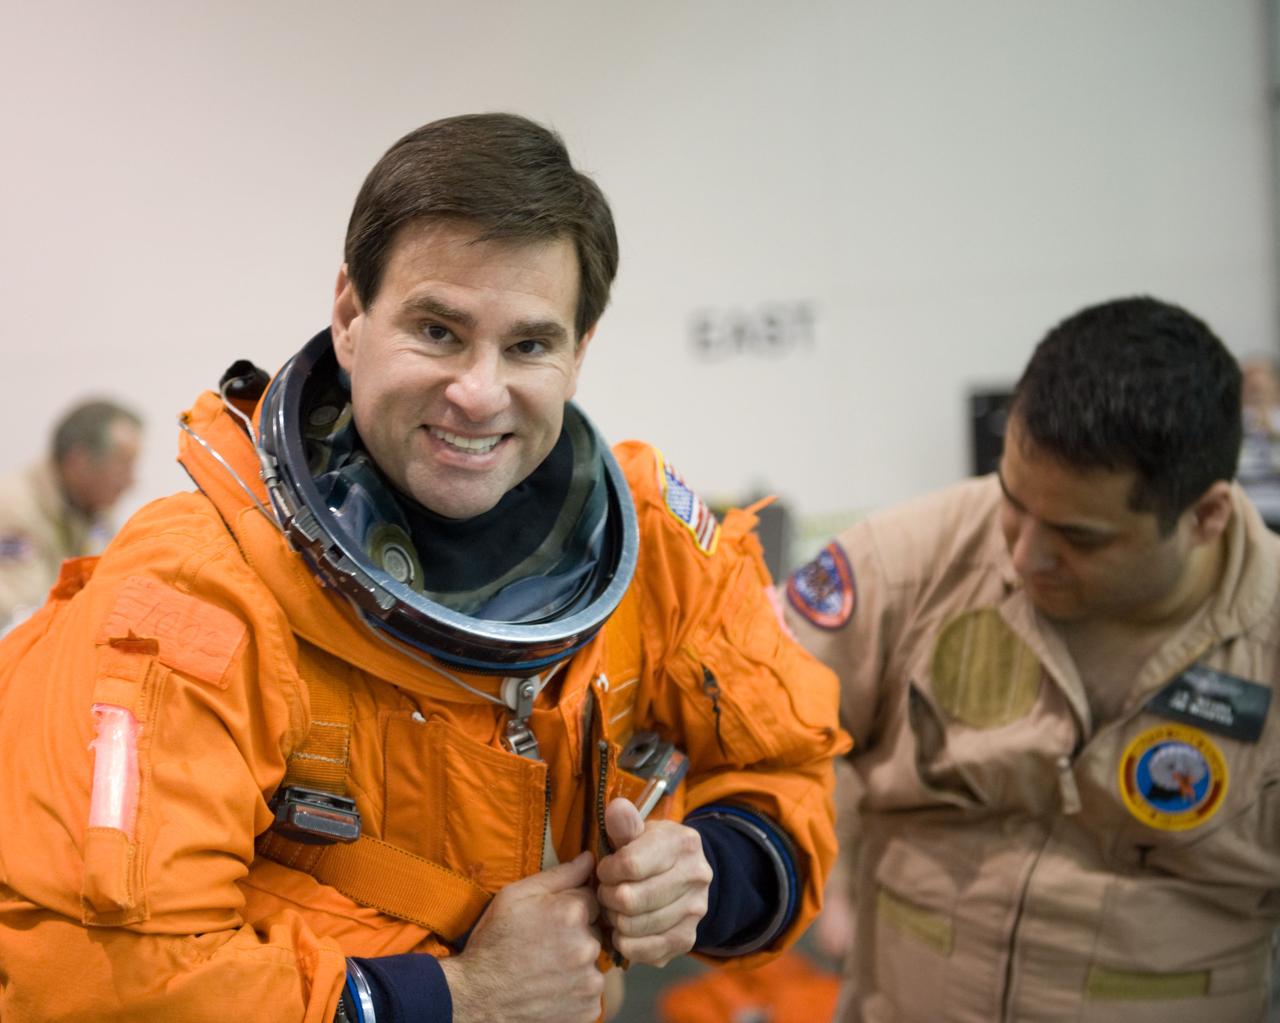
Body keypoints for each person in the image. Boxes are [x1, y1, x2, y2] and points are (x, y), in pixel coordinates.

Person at [0, 113, 846, 1023]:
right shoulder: (195, 594)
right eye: (438, 330)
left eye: (529, 344)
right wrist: (449, 997)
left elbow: (785, 764)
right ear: (351, 315)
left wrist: (707, 875)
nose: (479, 393)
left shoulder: (652, 546)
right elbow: (87, 979)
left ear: (579, 350)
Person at [785, 296, 1279, 1022]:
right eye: (1013, 501)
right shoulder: (912, 561)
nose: (1021, 555)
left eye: (1080, 536)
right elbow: (757, 718)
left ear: (1204, 516)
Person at [0, 398, 142, 630]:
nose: (130, 482)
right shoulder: (11, 508)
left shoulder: (96, 513)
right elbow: (19, 619)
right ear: (80, 461)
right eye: (122, 466)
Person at [1237, 353, 1280, 530]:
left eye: (1260, 386)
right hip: (1245, 516)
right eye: (1250, 385)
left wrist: (1273, 433)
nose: (1255, 390)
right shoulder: (1231, 423)